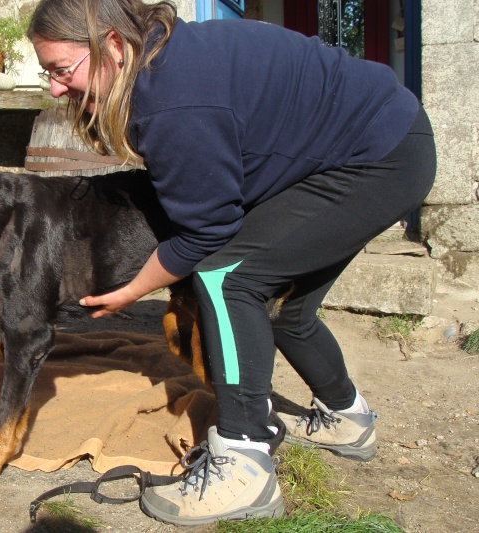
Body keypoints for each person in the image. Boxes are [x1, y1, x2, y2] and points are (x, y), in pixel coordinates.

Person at [27, 0, 436, 525]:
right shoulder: (160, 58)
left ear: (111, 45)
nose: (57, 89)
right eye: (49, 74)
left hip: (378, 155)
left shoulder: (171, 99)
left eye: (62, 70)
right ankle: (347, 418)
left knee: (227, 274)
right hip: (385, 137)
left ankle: (241, 465)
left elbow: (206, 234)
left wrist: (132, 290)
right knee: (284, 304)